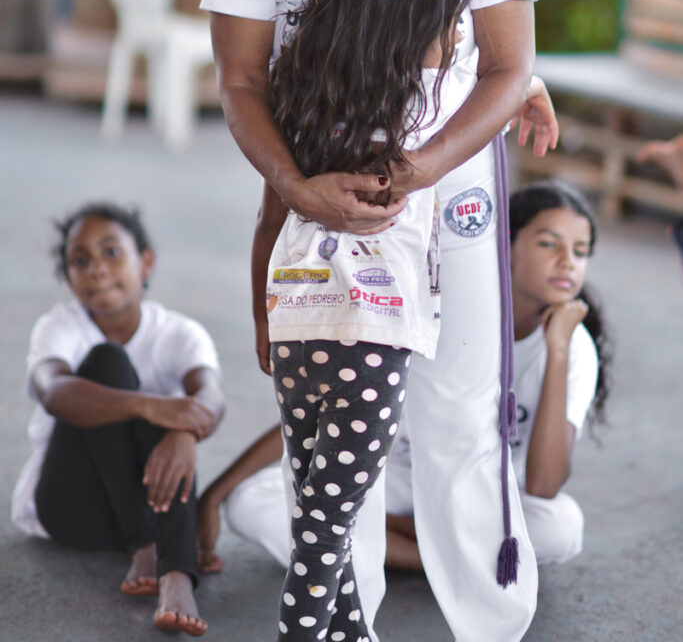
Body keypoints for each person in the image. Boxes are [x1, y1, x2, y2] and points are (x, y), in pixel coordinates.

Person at [201, 0, 556, 642]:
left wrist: (421, 170)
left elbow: (505, 67)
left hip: (448, 187)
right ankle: (338, 619)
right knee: (332, 429)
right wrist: (294, 186)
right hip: (314, 196)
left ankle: (488, 620)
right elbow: (239, 82)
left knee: (458, 407)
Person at [196, 180, 610, 577]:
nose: (567, 261)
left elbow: (543, 485)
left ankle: (370, 545)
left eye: (581, 251)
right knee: (249, 501)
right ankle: (443, 564)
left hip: (475, 498)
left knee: (560, 527)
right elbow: (331, 414)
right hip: (391, 477)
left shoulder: (573, 347)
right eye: (548, 243)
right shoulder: (442, 310)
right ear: (506, 245)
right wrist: (216, 493)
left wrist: (558, 349)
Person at [266, 0, 472, 641]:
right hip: (371, 337)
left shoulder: (300, 100)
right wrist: (532, 87)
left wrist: (261, 319)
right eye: (449, 24)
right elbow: (505, 86)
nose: (457, 40)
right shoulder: (427, 105)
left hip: (297, 326)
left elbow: (268, 213)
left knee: (321, 516)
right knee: (324, 534)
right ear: (408, 27)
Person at [10, 202, 224, 638]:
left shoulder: (179, 333)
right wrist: (153, 406)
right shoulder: (59, 326)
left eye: (111, 252)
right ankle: (147, 545)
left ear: (145, 262)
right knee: (109, 365)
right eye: (80, 261)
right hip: (73, 509)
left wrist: (183, 431)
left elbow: (210, 398)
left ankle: (176, 575)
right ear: (68, 278)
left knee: (174, 419)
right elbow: (53, 391)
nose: (96, 269)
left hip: (150, 500)